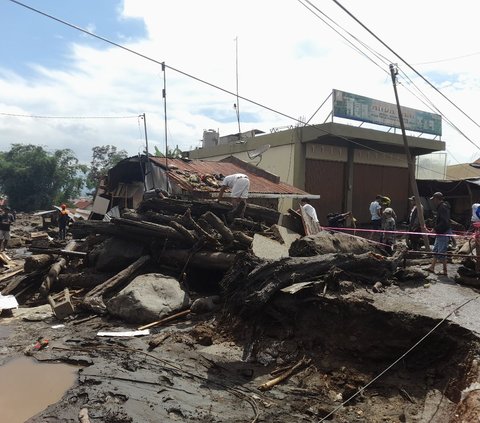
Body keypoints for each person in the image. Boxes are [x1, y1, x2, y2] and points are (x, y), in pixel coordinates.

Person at [426, 192, 452, 276]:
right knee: (436, 250)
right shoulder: (441, 207)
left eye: (433, 199)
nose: (433, 201)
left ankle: (445, 270)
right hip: (440, 232)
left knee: (441, 252)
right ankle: (432, 267)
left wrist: (435, 228)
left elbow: (444, 221)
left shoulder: (443, 207)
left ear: (437, 199)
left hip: (443, 232)